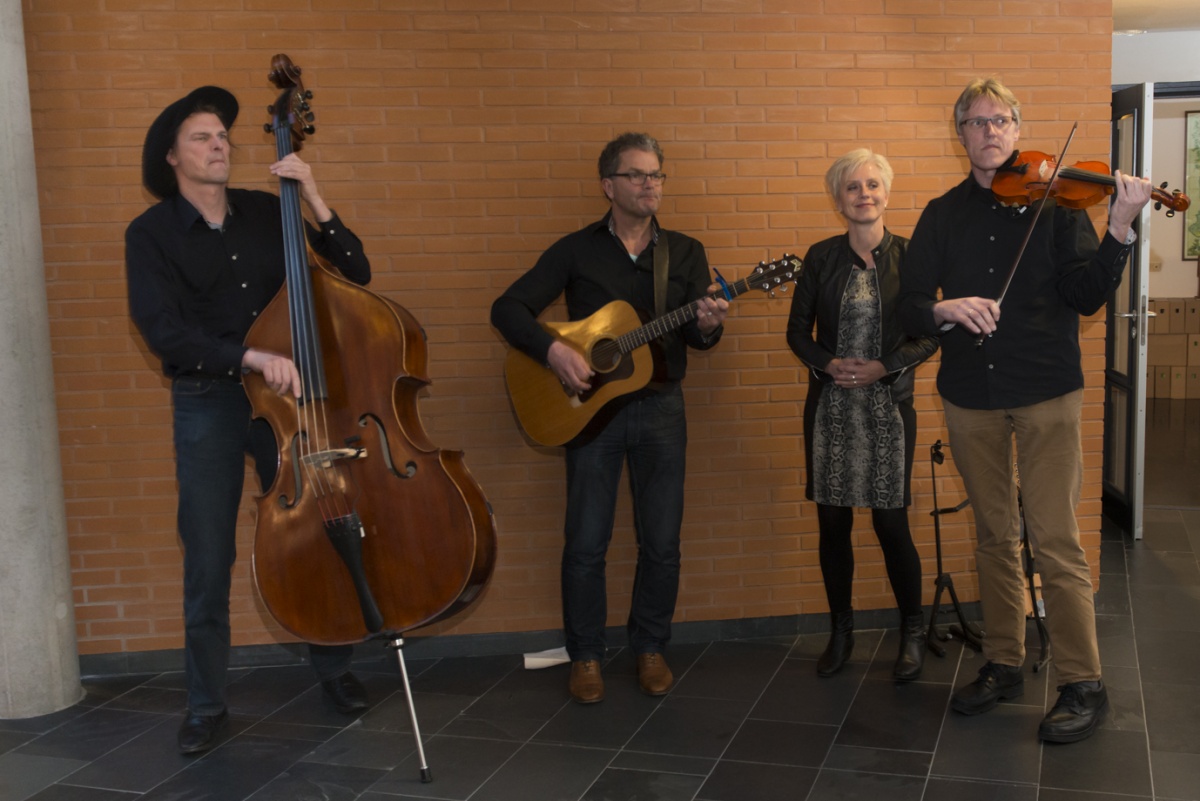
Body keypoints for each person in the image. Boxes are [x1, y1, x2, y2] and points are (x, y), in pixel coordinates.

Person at [898, 78, 1153, 742]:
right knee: (993, 535)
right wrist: (943, 308)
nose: (990, 131)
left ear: (1016, 128)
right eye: (976, 121)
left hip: (1046, 390)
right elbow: (909, 303)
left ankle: (1083, 681)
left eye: (1001, 120)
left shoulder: (1058, 207)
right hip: (970, 394)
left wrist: (1118, 230)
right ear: (960, 134)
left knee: (1055, 538)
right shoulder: (941, 214)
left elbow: (1086, 296)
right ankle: (1003, 662)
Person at [125, 86, 374, 754]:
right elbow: (162, 330)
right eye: (202, 137)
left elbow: (355, 270)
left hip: (286, 403)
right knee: (209, 554)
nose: (219, 145)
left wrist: (313, 195)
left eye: (222, 136)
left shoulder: (270, 211)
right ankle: (206, 704)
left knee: (316, 533)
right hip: (208, 400)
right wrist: (250, 355)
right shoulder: (149, 235)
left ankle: (336, 670)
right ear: (171, 157)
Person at [491, 132, 728, 704]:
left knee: (662, 542)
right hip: (590, 416)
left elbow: (697, 340)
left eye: (657, 175)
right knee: (586, 542)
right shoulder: (576, 250)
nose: (650, 184)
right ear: (609, 185)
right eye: (637, 174)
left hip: (662, 409)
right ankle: (587, 656)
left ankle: (650, 648)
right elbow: (507, 308)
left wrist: (709, 324)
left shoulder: (685, 251)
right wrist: (554, 351)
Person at [786, 149, 939, 681]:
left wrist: (884, 367)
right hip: (830, 408)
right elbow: (796, 333)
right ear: (838, 199)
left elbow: (930, 335)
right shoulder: (820, 257)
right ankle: (841, 632)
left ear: (886, 194)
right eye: (852, 187)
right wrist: (827, 363)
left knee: (890, 524)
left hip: (888, 409)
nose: (863, 194)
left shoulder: (912, 257)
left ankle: (912, 633)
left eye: (872, 185)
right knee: (833, 524)